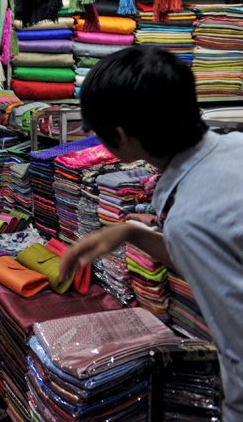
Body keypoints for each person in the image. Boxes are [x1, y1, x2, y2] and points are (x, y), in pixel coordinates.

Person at [57, 46, 243, 418]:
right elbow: (222, 259)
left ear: (121, 135)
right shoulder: (234, 148)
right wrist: (131, 233)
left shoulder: (190, 220)